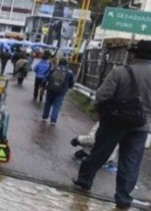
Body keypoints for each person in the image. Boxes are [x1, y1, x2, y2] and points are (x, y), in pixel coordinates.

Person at [73, 40, 151, 209]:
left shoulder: (120, 72)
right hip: (141, 126)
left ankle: (85, 181)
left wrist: (105, 110)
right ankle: (123, 199)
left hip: (114, 122)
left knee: (99, 153)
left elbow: (102, 95)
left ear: (133, 54)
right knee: (130, 163)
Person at [42, 58, 74, 125]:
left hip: (50, 88)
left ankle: (44, 117)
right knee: (57, 105)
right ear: (66, 64)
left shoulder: (53, 69)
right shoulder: (69, 72)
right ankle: (53, 121)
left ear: (59, 62)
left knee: (48, 103)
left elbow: (46, 77)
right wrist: (68, 87)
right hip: (61, 91)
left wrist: (43, 84)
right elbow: (72, 83)